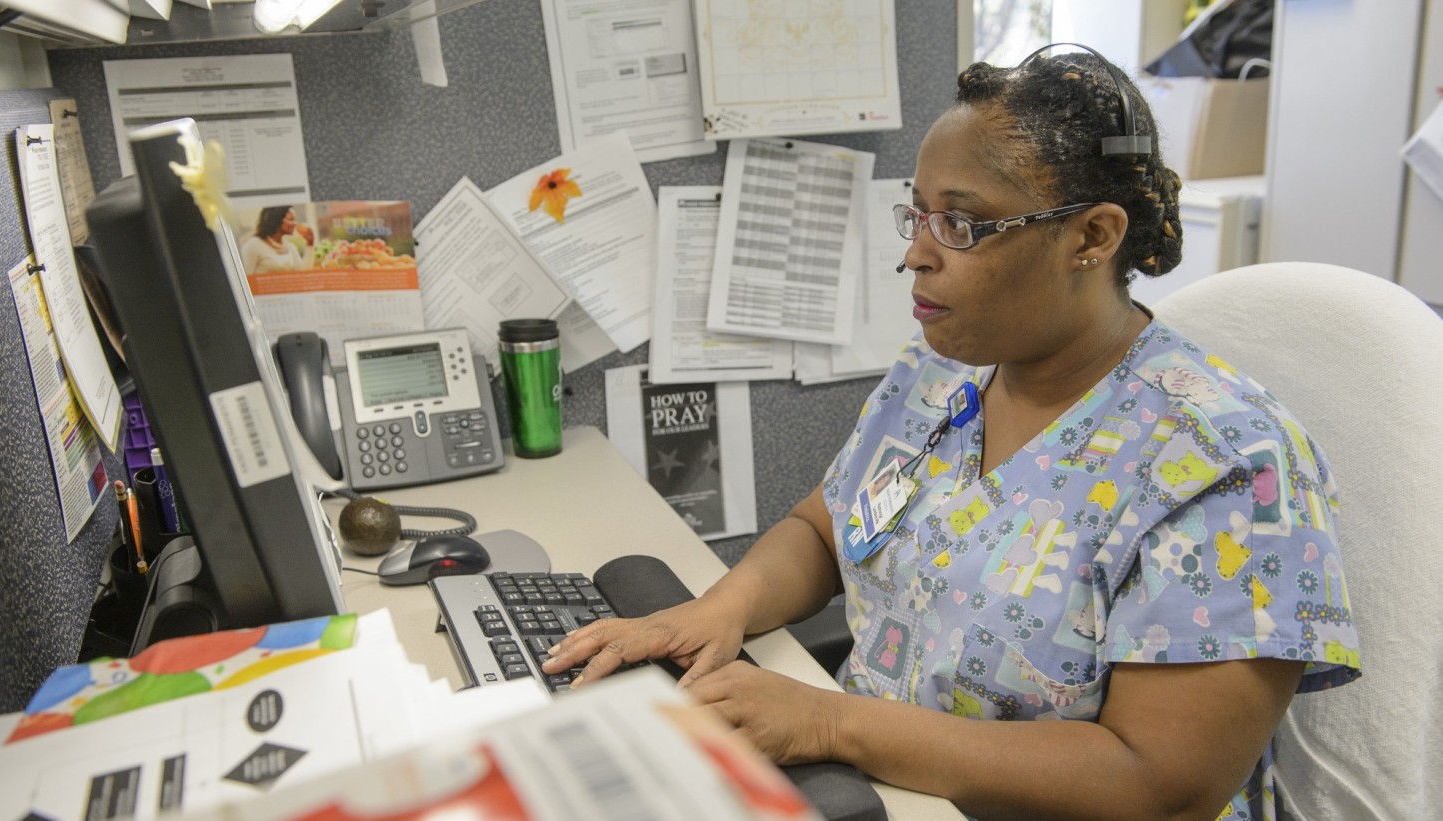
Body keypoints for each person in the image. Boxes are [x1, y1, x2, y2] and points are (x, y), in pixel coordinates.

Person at [544, 45, 1361, 821]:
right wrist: (720, 609)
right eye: (919, 214)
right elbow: (823, 531)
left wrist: (831, 724)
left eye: (960, 225)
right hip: (874, 787)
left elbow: (1159, 783)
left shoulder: (1227, 463)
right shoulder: (944, 371)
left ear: (1092, 236)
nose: (916, 256)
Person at [239, 205, 314, 274]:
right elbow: (243, 277)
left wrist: (310, 244)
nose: (295, 223)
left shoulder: (289, 247)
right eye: (291, 219)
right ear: (276, 220)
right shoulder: (253, 245)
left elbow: (302, 275)